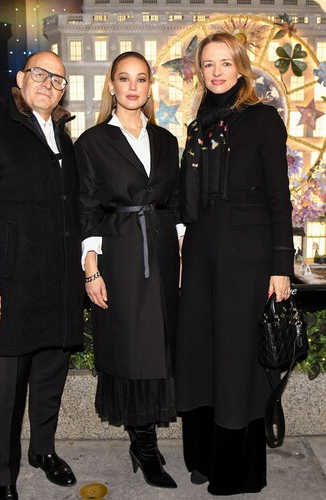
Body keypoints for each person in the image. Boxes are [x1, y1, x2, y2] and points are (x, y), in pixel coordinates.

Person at [0, 51, 84, 500]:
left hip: (57, 288)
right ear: (21, 78)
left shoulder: (64, 139)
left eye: (58, 80)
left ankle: (42, 451)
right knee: (5, 392)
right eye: (40, 74)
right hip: (7, 289)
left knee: (50, 379)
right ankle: (3, 478)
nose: (49, 84)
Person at [175, 33, 294, 495]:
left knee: (235, 361)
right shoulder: (199, 125)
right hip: (202, 255)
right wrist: (185, 257)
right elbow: (189, 206)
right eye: (209, 64)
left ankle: (236, 471)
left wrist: (280, 265)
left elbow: (279, 200)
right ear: (200, 72)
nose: (217, 72)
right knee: (199, 356)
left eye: (226, 63)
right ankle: (202, 458)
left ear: (241, 67)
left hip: (247, 261)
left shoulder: (262, 120)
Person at [74, 52, 182, 489]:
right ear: (112, 86)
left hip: (161, 251)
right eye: (124, 78)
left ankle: (146, 440)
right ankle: (144, 446)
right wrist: (91, 268)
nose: (133, 86)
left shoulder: (166, 140)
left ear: (150, 86)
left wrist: (180, 251)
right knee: (130, 347)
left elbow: (176, 204)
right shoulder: (93, 141)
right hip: (118, 252)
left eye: (141, 78)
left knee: (161, 343)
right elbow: (86, 208)